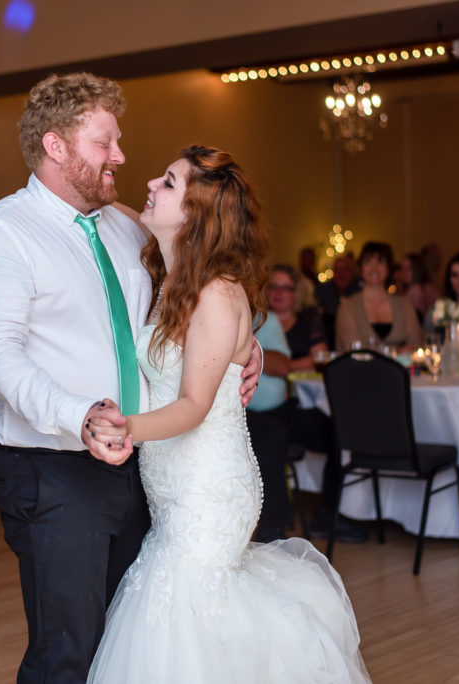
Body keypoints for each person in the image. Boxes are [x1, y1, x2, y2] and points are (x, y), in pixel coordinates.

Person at [0, 74, 259, 684]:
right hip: (54, 465)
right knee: (68, 652)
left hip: (141, 467)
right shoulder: (2, 234)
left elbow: (204, 273)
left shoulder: (125, 226)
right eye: (104, 143)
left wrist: (244, 346)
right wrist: (79, 413)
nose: (121, 156)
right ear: (56, 147)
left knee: (134, 647)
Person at [85, 146, 368, 683]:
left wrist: (125, 428)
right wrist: (93, 184)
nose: (150, 183)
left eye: (167, 182)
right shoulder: (172, 279)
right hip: (174, 489)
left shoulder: (215, 292)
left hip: (207, 490)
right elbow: (111, 208)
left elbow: (193, 404)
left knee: (188, 625)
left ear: (195, 213)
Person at [248, 270, 366, 545]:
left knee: (336, 430)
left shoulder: (267, 321)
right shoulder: (229, 319)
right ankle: (272, 531)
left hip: (282, 409)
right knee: (273, 435)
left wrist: (247, 347)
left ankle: (327, 515)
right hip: (246, 414)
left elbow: (281, 366)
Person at [335, 241, 423, 353]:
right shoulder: (348, 308)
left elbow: (417, 346)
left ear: (388, 268)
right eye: (368, 262)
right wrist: (398, 352)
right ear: (361, 268)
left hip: (400, 369)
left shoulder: (405, 305)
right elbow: (353, 351)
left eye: (380, 262)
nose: (374, 268)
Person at [267, 263, 328, 371]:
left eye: (285, 288)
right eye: (273, 286)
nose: (278, 292)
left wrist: (281, 367)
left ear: (297, 292)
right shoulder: (257, 318)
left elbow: (320, 357)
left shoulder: (310, 316)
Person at [315, 253, 360, 345]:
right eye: (337, 270)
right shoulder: (323, 290)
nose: (341, 274)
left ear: (353, 272)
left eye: (345, 270)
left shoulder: (360, 291)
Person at [396, 252, 440, 324]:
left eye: (408, 268)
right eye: (402, 268)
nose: (404, 272)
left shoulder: (415, 289)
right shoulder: (428, 286)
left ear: (417, 268)